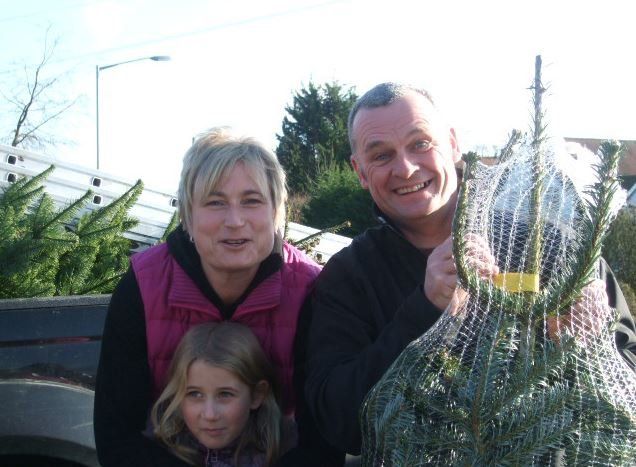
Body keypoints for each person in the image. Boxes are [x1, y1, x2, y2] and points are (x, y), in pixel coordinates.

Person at [302, 82, 636, 457]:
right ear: (359, 171)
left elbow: (629, 382)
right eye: (381, 155)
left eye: (420, 144)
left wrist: (593, 342)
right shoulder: (349, 277)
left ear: (453, 143)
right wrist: (424, 310)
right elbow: (337, 421)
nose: (406, 168)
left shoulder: (552, 247)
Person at [94, 127, 340, 466]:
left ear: (276, 212)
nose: (235, 221)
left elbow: (322, 443)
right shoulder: (142, 285)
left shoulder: (311, 291)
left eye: (251, 201)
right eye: (215, 202)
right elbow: (117, 436)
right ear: (188, 216)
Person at [152, 322, 281, 466]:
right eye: (195, 394)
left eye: (225, 394)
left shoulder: (283, 453)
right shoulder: (156, 451)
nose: (210, 415)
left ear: (257, 395)